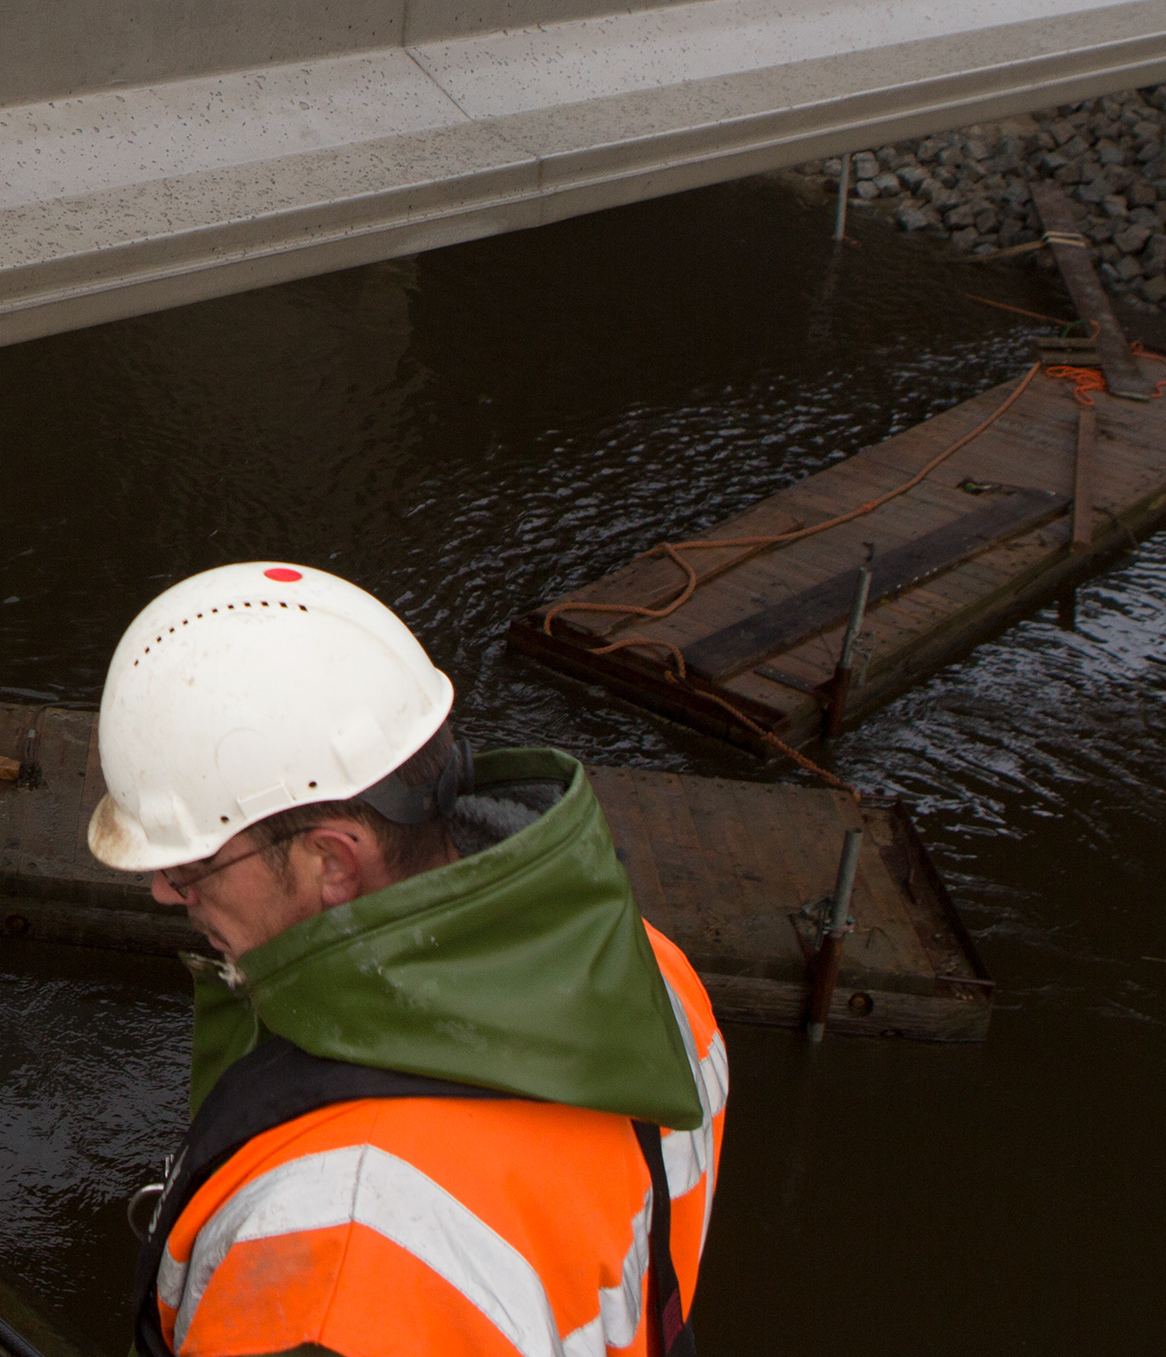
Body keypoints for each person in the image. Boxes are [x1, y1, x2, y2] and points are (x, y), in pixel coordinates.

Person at [91, 562, 727, 1357]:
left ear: (333, 864)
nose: (161, 891)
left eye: (191, 866)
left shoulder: (333, 1253)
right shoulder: (646, 970)